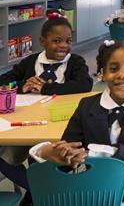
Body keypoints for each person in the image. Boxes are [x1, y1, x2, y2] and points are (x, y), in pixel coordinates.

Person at [29, 39, 124, 206]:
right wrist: (54, 152)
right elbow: (69, 145)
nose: (121, 74)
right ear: (103, 73)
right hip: (95, 189)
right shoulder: (87, 105)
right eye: (113, 69)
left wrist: (92, 152)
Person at [0, 17, 93, 195]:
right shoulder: (31, 61)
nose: (63, 46)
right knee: (4, 154)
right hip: (27, 123)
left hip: (59, 124)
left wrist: (45, 88)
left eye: (68, 41)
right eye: (56, 41)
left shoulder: (75, 62)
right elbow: (3, 80)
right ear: (42, 41)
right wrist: (23, 86)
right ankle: (38, 192)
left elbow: (84, 84)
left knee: (47, 157)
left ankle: (40, 192)